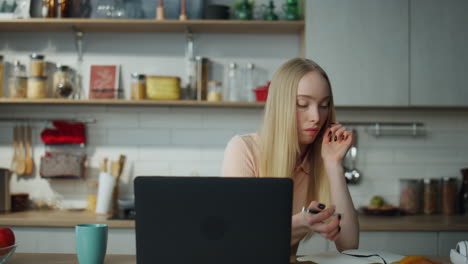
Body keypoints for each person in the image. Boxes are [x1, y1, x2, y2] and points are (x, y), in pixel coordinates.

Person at [222, 58, 359, 254]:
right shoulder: (243, 149)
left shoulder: (320, 158)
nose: (316, 117)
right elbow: (238, 242)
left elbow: (349, 245)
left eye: (324, 105)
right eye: (302, 104)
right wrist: (299, 223)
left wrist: (333, 164)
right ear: (281, 106)